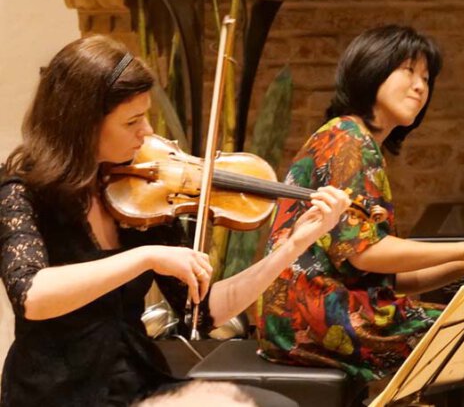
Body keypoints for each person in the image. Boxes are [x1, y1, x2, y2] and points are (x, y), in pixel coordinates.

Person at [0, 35, 350, 406]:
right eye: (132, 121)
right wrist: (145, 257)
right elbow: (33, 296)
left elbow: (206, 311)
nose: (147, 132)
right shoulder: (21, 190)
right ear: (82, 123)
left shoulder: (138, 194)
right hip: (57, 395)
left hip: (136, 384)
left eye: (146, 116)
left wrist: (293, 245)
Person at [257, 24, 464, 382]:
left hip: (308, 316)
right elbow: (366, 253)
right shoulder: (349, 141)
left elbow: (391, 278)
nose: (420, 86)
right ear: (372, 69)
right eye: (408, 71)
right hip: (316, 320)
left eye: (426, 79)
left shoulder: (349, 136)